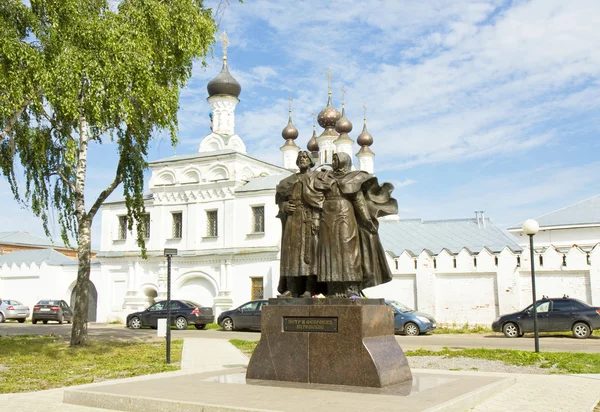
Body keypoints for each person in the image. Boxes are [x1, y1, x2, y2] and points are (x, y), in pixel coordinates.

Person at [314, 152, 396, 297]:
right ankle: (333, 288)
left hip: (345, 216)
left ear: (344, 161)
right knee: (329, 251)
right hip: (326, 218)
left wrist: (366, 219)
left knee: (348, 250)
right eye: (333, 159)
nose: (333, 162)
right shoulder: (325, 177)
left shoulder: (354, 178)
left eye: (336, 159)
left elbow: (359, 200)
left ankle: (350, 287)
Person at [276, 151, 323, 297]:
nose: (302, 159)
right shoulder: (289, 180)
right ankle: (292, 288)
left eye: (305, 157)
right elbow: (280, 198)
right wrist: (284, 206)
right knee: (291, 254)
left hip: (310, 219)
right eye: (300, 158)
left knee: (310, 255)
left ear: (310, 161)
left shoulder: (316, 178)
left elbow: (321, 200)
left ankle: (310, 289)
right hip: (293, 220)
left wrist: (316, 219)